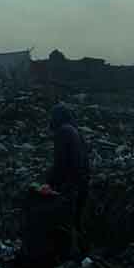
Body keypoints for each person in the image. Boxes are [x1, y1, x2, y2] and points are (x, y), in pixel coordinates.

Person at [45, 102, 90, 250]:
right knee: (76, 221)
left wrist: (48, 183)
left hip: (72, 185)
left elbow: (61, 163)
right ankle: (82, 255)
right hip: (82, 183)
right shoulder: (75, 131)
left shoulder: (63, 132)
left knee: (67, 221)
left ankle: (71, 256)